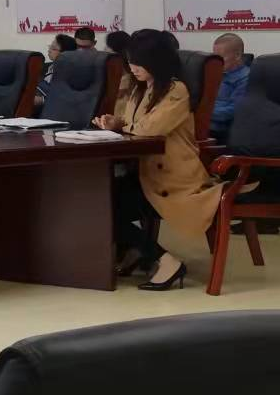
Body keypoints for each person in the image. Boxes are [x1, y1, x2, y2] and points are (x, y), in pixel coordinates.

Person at [93, 29, 221, 291]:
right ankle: (142, 252)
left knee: (104, 208)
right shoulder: (139, 88)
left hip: (174, 179)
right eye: (130, 61)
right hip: (145, 173)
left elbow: (151, 128)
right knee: (94, 203)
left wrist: (122, 126)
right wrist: (114, 121)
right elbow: (131, 122)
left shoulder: (176, 90)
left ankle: (166, 261)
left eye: (138, 62)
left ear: (157, 61)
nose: (133, 67)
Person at [210, 33, 250, 142]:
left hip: (220, 130)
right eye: (215, 57)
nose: (216, 62)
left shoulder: (246, 78)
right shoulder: (215, 73)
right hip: (203, 122)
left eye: (221, 57)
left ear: (237, 56)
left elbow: (233, 111)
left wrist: (203, 112)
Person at [35, 34, 78, 103]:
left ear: (65, 53)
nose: (49, 50)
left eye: (53, 48)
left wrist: (42, 100)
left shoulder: (71, 74)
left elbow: (67, 99)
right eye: (50, 46)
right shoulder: (46, 67)